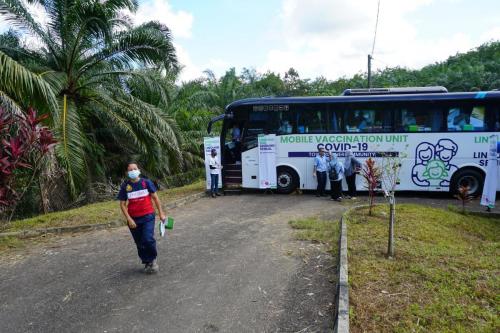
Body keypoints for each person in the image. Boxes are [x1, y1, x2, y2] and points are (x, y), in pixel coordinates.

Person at [118, 163, 166, 274]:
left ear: (139, 170)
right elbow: (122, 204)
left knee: (147, 239)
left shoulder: (146, 182)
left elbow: (155, 198)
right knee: (139, 242)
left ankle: (153, 259)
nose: (133, 171)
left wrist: (161, 213)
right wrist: (129, 219)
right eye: (130, 170)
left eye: (135, 169)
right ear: (127, 173)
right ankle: (146, 261)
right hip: (134, 220)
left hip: (148, 216)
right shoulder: (126, 186)